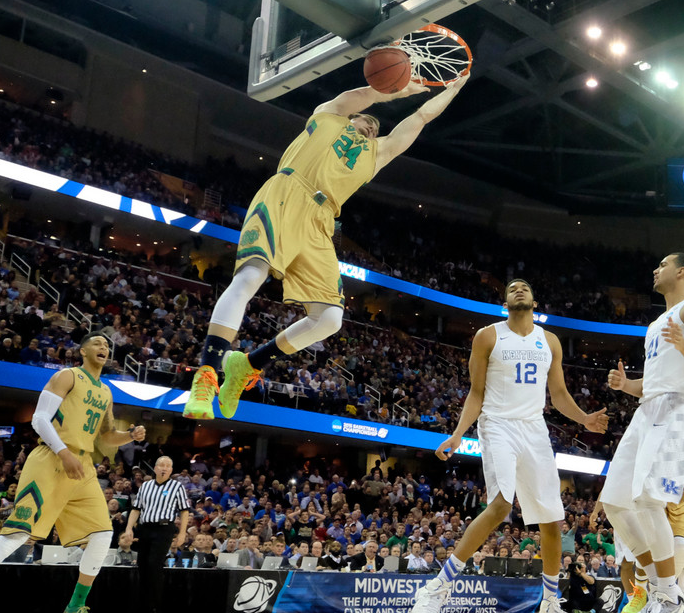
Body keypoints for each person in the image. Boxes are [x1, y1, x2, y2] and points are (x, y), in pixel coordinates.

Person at [183, 75, 470, 420]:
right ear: (352, 119)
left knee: (330, 319)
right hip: (286, 193)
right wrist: (393, 90)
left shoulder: (375, 155)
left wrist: (453, 91)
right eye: (366, 121)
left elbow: (420, 119)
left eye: (374, 130)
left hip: (321, 221)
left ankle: (246, 365)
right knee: (249, 278)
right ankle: (206, 374)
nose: (370, 128)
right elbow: (360, 95)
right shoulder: (329, 116)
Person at [410, 279, 609, 613]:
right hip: (497, 424)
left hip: (534, 429)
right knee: (501, 504)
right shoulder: (488, 336)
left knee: (551, 519)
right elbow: (476, 392)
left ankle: (549, 605)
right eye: (512, 287)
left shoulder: (549, 341)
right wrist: (457, 434)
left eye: (525, 287)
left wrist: (585, 418)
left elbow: (559, 395)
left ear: (534, 299)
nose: (518, 289)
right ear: (505, 301)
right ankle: (435, 591)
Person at [0, 333, 146, 613]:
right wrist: (63, 451)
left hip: (82, 465)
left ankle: (74, 609)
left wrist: (129, 436)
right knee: (18, 535)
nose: (103, 348)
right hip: (51, 458)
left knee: (102, 534)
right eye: (97, 343)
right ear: (82, 351)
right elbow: (40, 419)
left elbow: (106, 436)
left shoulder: (106, 392)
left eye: (107, 346)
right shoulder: (67, 376)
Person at [599, 252, 684, 613]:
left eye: (662, 264)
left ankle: (669, 599)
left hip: (678, 409)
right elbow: (652, 383)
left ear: (681, 271)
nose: (655, 269)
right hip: (647, 408)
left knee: (648, 500)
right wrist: (626, 385)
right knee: (614, 501)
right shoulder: (653, 325)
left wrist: (683, 344)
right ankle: (658, 588)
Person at [598, 420, 684, 613]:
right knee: (648, 551)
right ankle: (645, 597)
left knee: (680, 549)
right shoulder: (651, 417)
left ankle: (666, 601)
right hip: (656, 493)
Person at [123, 456, 191, 613]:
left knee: (154, 566)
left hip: (164, 528)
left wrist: (182, 533)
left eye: (168, 466)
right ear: (155, 467)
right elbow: (136, 509)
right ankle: (145, 610)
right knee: (143, 567)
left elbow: (184, 511)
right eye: (161, 464)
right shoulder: (145, 486)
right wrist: (129, 528)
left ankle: (157, 611)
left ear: (171, 470)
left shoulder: (177, 487)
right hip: (145, 528)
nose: (164, 468)